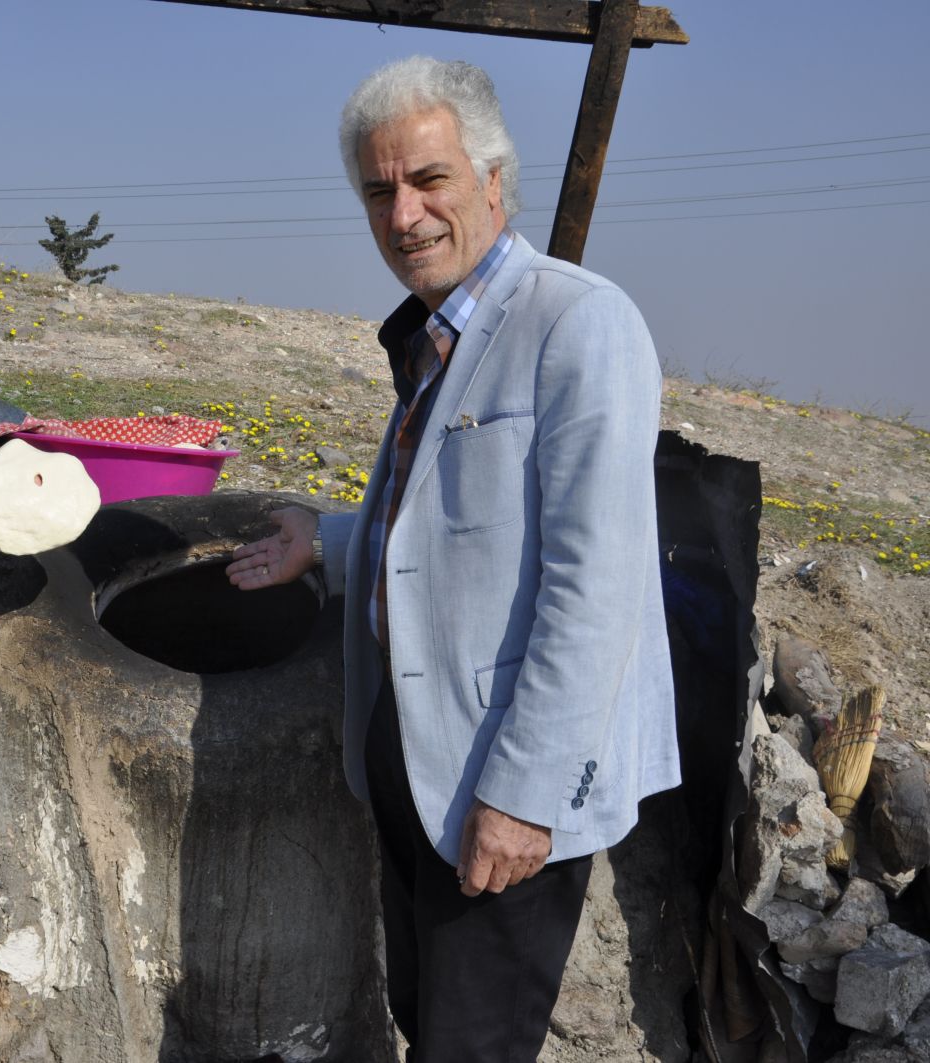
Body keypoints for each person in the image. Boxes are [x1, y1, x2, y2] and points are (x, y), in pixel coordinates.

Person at [227, 58, 678, 1061]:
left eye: (428, 180)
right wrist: (331, 540)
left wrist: (524, 794)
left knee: (472, 1044)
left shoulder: (575, 322)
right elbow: (457, 533)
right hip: (420, 760)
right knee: (430, 1026)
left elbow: (593, 586)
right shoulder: (441, 335)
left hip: (501, 777)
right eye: (379, 191)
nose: (404, 214)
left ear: (492, 179)